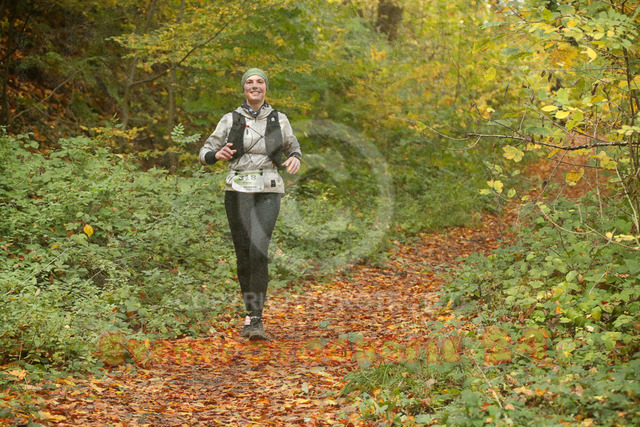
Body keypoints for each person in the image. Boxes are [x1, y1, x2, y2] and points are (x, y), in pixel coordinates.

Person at [199, 68, 301, 341]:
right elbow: (205, 151)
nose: (255, 86)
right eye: (250, 82)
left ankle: (256, 320)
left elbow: (294, 147)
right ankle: (249, 315)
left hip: (269, 188)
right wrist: (216, 155)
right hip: (237, 189)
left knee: (258, 248)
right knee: (243, 253)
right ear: (243, 88)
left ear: (266, 88)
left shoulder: (279, 118)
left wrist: (295, 158)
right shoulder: (230, 119)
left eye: (260, 82)